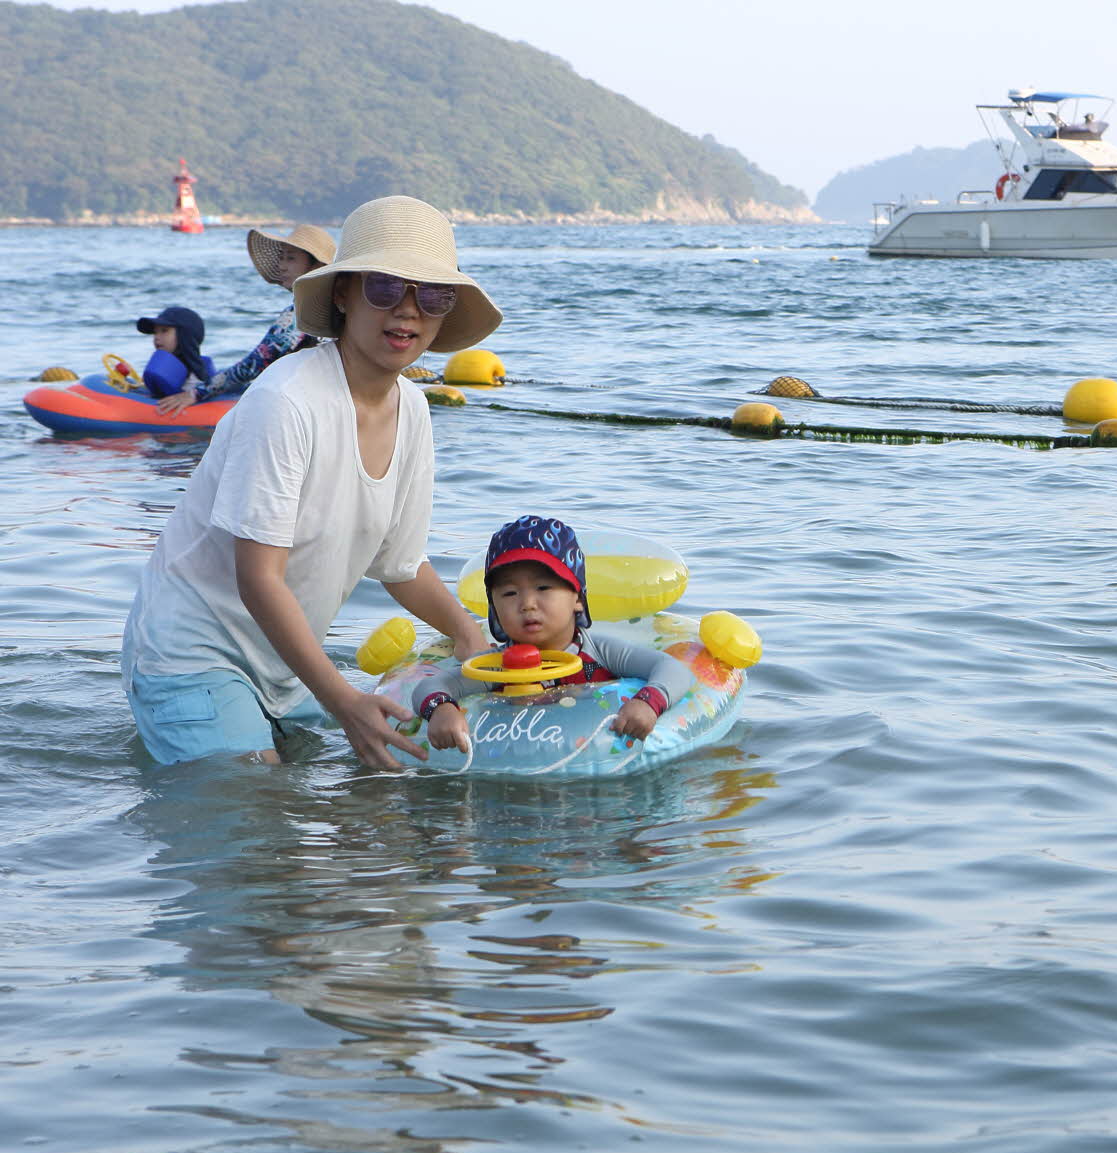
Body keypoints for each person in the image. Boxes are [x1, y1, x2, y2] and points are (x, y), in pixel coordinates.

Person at [121, 195, 500, 768]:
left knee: (374, 780)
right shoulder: (286, 399)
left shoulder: (414, 410)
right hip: (190, 651)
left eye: (432, 295)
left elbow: (400, 566)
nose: (407, 311)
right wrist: (343, 700)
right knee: (258, 799)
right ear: (342, 293)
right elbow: (258, 577)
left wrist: (471, 636)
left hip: (281, 664)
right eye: (384, 287)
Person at [412, 516, 696, 754]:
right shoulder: (495, 667)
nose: (527, 604)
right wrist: (442, 709)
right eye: (509, 593)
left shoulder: (601, 652)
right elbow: (433, 685)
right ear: (494, 608)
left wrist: (647, 702)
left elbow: (672, 668)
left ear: (577, 598)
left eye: (543, 588)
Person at [155, 225, 337, 419]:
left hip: (304, 407)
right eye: (282, 257)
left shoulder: (298, 313)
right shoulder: (335, 307)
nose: (282, 266)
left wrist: (197, 393)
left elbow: (253, 365)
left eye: (291, 259)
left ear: (316, 267)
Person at [136, 305, 215, 399]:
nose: (156, 337)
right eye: (155, 332)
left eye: (164, 331)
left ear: (185, 336)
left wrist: (195, 394)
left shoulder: (197, 376)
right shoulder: (161, 370)